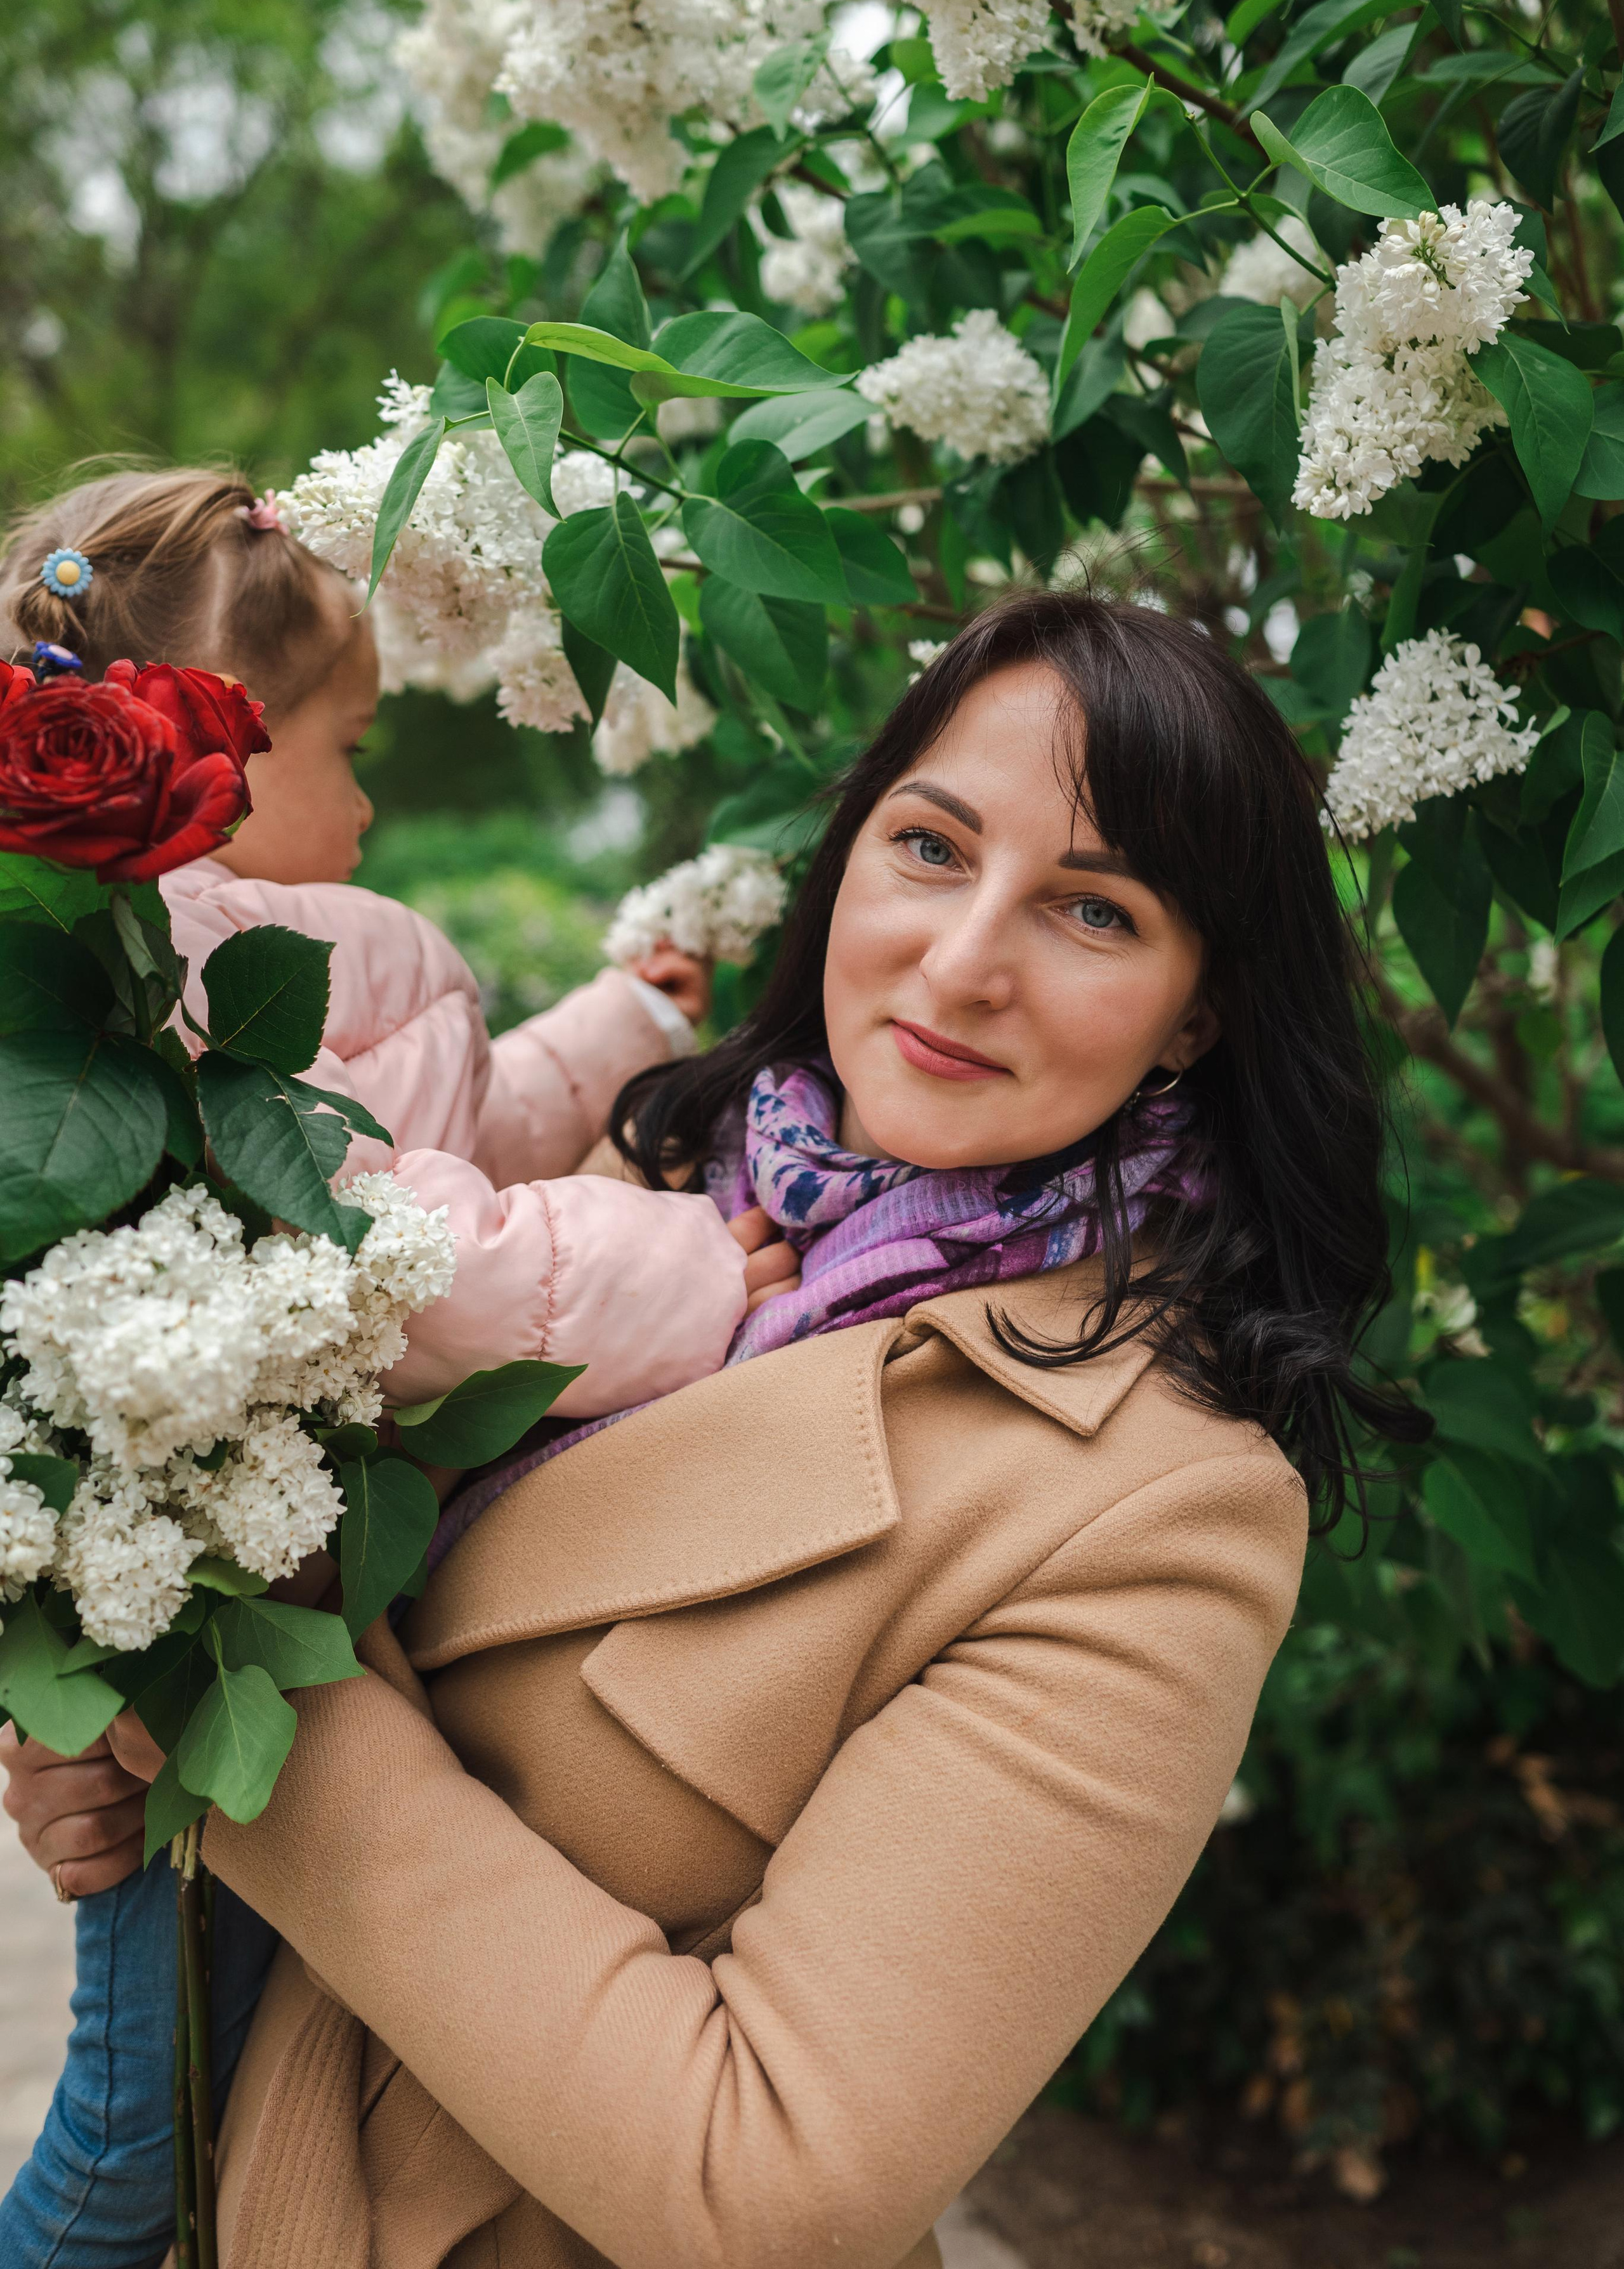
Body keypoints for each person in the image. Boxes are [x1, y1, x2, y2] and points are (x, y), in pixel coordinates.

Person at [4, 593, 1428, 2269]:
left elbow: (772, 2185)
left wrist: (243, 1729)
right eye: (930, 845)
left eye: (1094, 910)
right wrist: (113, 1761)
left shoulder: (1157, 1508)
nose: (964, 962)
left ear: (1199, 1010)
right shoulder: (663, 1186)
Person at [0, 468, 785, 2269]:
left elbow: (474, 1125)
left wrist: (633, 1018)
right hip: (211, 1637)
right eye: (348, 749)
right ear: (219, 750)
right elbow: (405, 1260)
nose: (370, 796)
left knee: (202, 2097)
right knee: (134, 2140)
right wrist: (690, 1271)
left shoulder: (321, 962)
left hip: (281, 1622)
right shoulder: (178, 976)